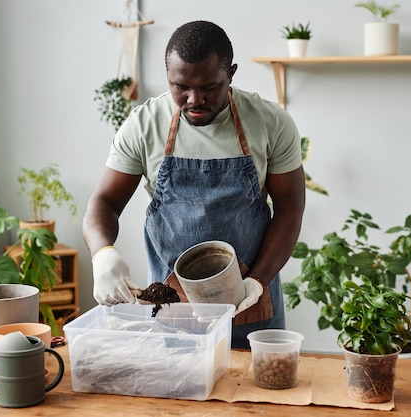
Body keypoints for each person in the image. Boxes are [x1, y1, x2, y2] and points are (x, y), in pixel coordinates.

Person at [83, 20, 305, 349]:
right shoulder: (144, 125)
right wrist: (103, 253)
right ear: (168, 76)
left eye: (208, 87)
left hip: (248, 302)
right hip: (173, 309)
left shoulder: (270, 123)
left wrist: (257, 283)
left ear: (231, 73)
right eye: (181, 87)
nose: (193, 99)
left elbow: (290, 210)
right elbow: (103, 202)